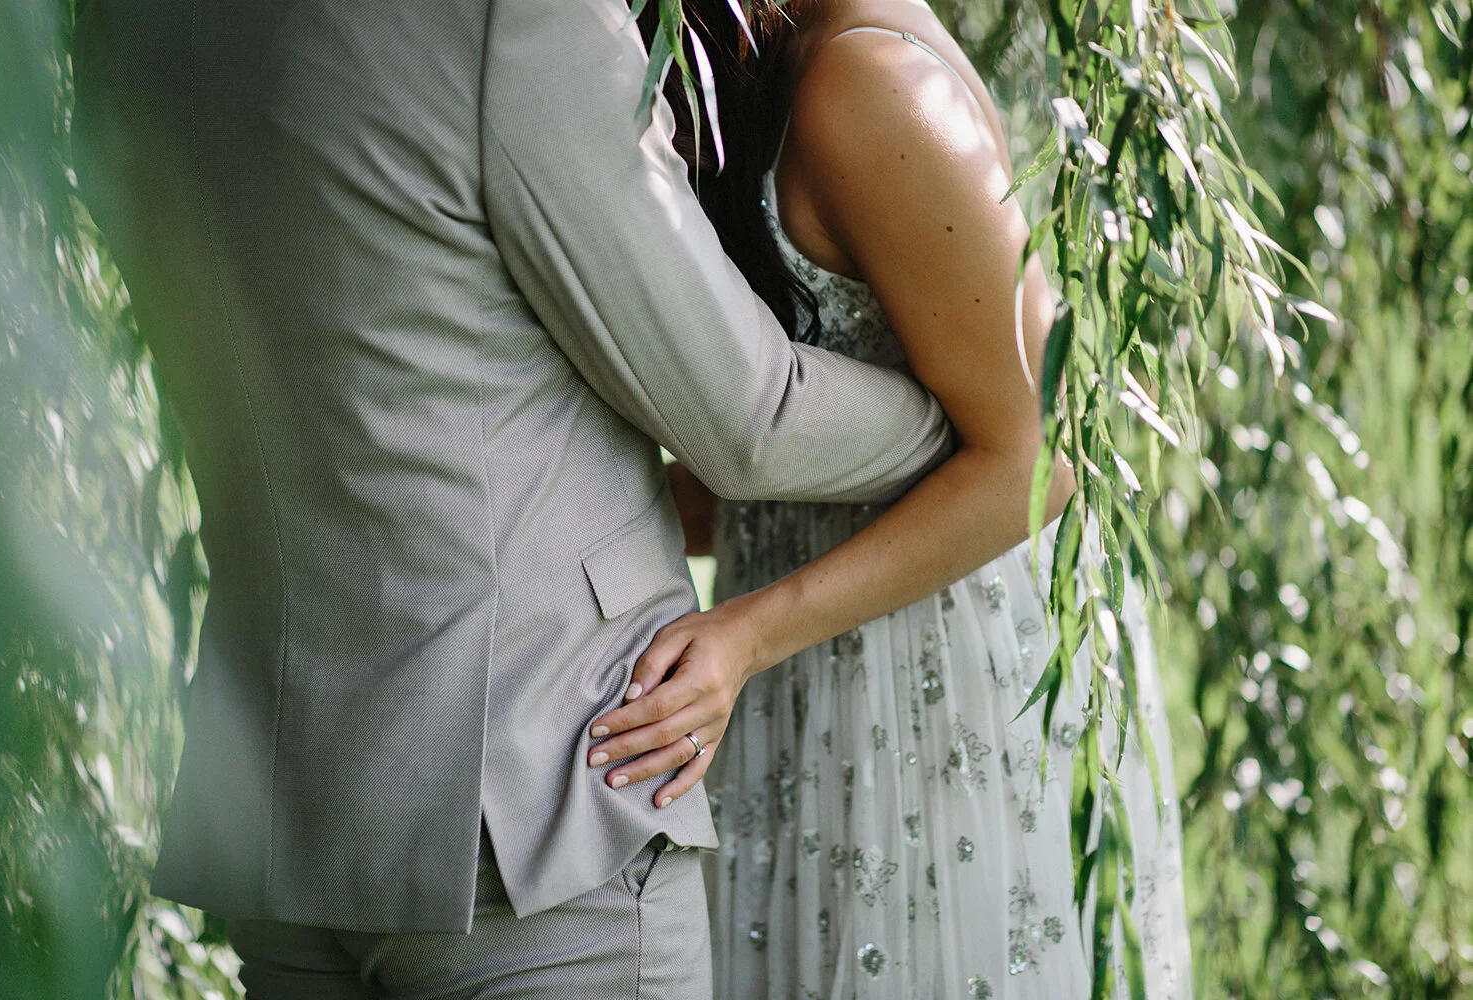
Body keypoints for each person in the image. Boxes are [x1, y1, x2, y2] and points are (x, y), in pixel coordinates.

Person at [70, 0, 957, 996]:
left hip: (288, 814)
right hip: (537, 808)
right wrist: (979, 423)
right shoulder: (510, 17)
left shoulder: (120, 25)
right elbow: (751, 420)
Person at [592, 0, 1193, 995]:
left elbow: (1040, 457)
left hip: (930, 672)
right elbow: (790, 445)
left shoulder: (868, 89)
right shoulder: (756, 65)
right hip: (798, 652)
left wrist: (744, 636)